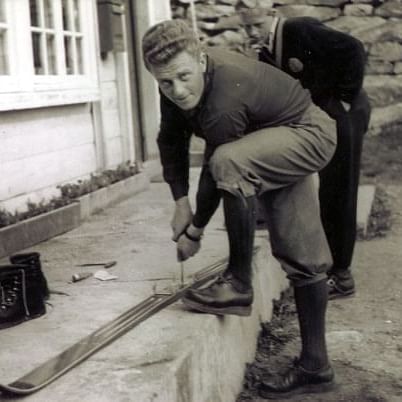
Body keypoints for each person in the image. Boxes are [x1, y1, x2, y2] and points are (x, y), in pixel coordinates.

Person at [142, 19, 337, 398]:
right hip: (273, 134)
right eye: (165, 82)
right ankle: (317, 366)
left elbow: (221, 169)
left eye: (183, 76)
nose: (177, 91)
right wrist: (179, 204)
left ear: (200, 59)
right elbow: (170, 141)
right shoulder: (174, 86)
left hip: (309, 133)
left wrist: (196, 229)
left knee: (230, 161)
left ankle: (238, 283)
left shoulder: (224, 98)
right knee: (302, 254)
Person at [235, 0, 372, 300]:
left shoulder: (299, 29)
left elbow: (353, 48)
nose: (251, 31)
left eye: (256, 25)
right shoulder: (264, 52)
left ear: (272, 16)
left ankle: (342, 276)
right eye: (245, 26)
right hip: (321, 118)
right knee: (321, 189)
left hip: (344, 112)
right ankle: (326, 266)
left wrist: (345, 100)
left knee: (339, 191)